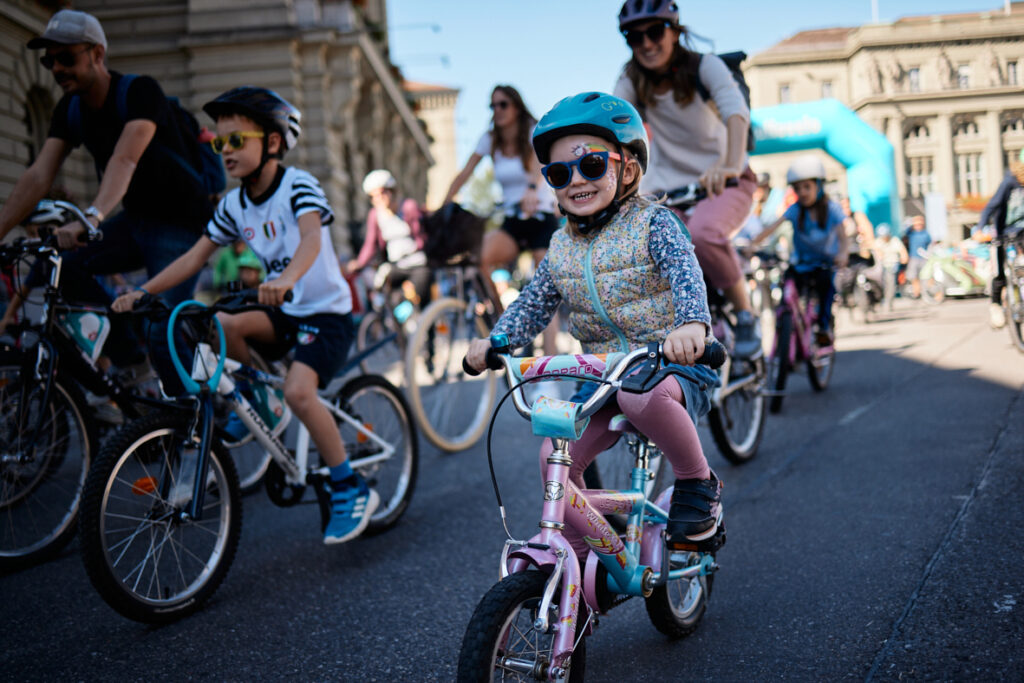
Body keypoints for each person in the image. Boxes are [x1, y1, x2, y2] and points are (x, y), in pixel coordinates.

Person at [111, 87, 375, 545]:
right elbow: (195, 257)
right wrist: (142, 292)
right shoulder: (234, 205)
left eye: (236, 141)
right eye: (220, 143)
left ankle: (349, 485)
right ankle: (262, 401)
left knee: (299, 390)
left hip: (327, 314)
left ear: (272, 143)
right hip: (284, 310)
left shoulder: (298, 185)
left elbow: (311, 239)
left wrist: (289, 278)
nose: (225, 151)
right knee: (219, 325)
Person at [466, 92, 723, 549]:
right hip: (604, 375)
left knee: (640, 399)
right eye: (560, 173)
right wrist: (498, 339)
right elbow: (533, 302)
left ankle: (697, 483)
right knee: (553, 457)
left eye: (590, 166)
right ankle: (587, 552)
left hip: (671, 364)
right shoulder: (560, 246)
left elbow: (686, 274)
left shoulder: (654, 224)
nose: (575, 181)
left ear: (627, 168)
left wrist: (691, 326)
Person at [0, 9, 215, 371]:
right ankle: (130, 357)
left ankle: (190, 419)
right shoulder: (70, 109)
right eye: (49, 60)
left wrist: (91, 218)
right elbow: (38, 175)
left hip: (181, 224)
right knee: (64, 269)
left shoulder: (139, 92)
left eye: (66, 57)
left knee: (163, 330)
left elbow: (124, 159)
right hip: (136, 222)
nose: (56, 69)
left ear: (97, 54)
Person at [613, 0, 761, 359]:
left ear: (675, 30)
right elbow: (614, 125)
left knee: (705, 234)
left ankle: (745, 316)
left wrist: (729, 165)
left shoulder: (704, 66)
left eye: (654, 32)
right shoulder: (632, 77)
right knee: (650, 249)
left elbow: (735, 111)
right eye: (634, 37)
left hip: (726, 179)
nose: (646, 43)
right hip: (668, 187)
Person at [443, 84, 560, 354]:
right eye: (493, 105)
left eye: (503, 104)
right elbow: (464, 174)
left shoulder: (532, 130)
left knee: (547, 289)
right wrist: (444, 206)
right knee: (478, 256)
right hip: (511, 218)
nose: (497, 110)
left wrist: (532, 189)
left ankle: (550, 367)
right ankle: (506, 324)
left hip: (539, 215)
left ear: (516, 106)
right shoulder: (490, 139)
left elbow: (537, 166)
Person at [749, 155, 851, 345]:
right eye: (797, 188)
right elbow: (773, 227)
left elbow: (843, 236)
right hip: (801, 263)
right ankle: (787, 324)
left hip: (825, 263)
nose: (802, 192)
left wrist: (843, 254)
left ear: (819, 186)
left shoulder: (832, 209)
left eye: (807, 187)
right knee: (787, 286)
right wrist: (752, 244)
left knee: (826, 289)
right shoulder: (795, 210)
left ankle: (823, 326)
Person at [345, 169, 431, 313]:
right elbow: (370, 244)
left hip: (417, 264)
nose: (379, 199)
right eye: (374, 197)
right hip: (395, 265)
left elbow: (422, 237)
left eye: (382, 193)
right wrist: (359, 263)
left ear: (392, 191)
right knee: (382, 294)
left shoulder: (408, 207)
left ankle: (426, 330)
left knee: (419, 299)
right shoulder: (375, 215)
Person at [977, 149, 1024, 329]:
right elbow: (993, 204)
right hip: (1005, 231)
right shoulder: (1010, 182)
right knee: (999, 273)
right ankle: (996, 305)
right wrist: (980, 228)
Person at [871, 224, 908, 311]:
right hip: (880, 266)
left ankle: (888, 302)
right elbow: (875, 250)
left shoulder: (894, 241)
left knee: (890, 285)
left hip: (892, 265)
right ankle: (880, 300)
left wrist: (904, 257)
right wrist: (878, 254)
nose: (884, 238)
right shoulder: (878, 242)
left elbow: (902, 251)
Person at [904, 215, 932, 299]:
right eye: (916, 224)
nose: (918, 226)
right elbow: (905, 231)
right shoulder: (911, 233)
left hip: (923, 257)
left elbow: (930, 244)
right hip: (914, 257)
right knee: (913, 276)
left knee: (926, 275)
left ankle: (928, 292)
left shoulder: (926, 234)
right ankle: (917, 293)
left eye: (919, 224)